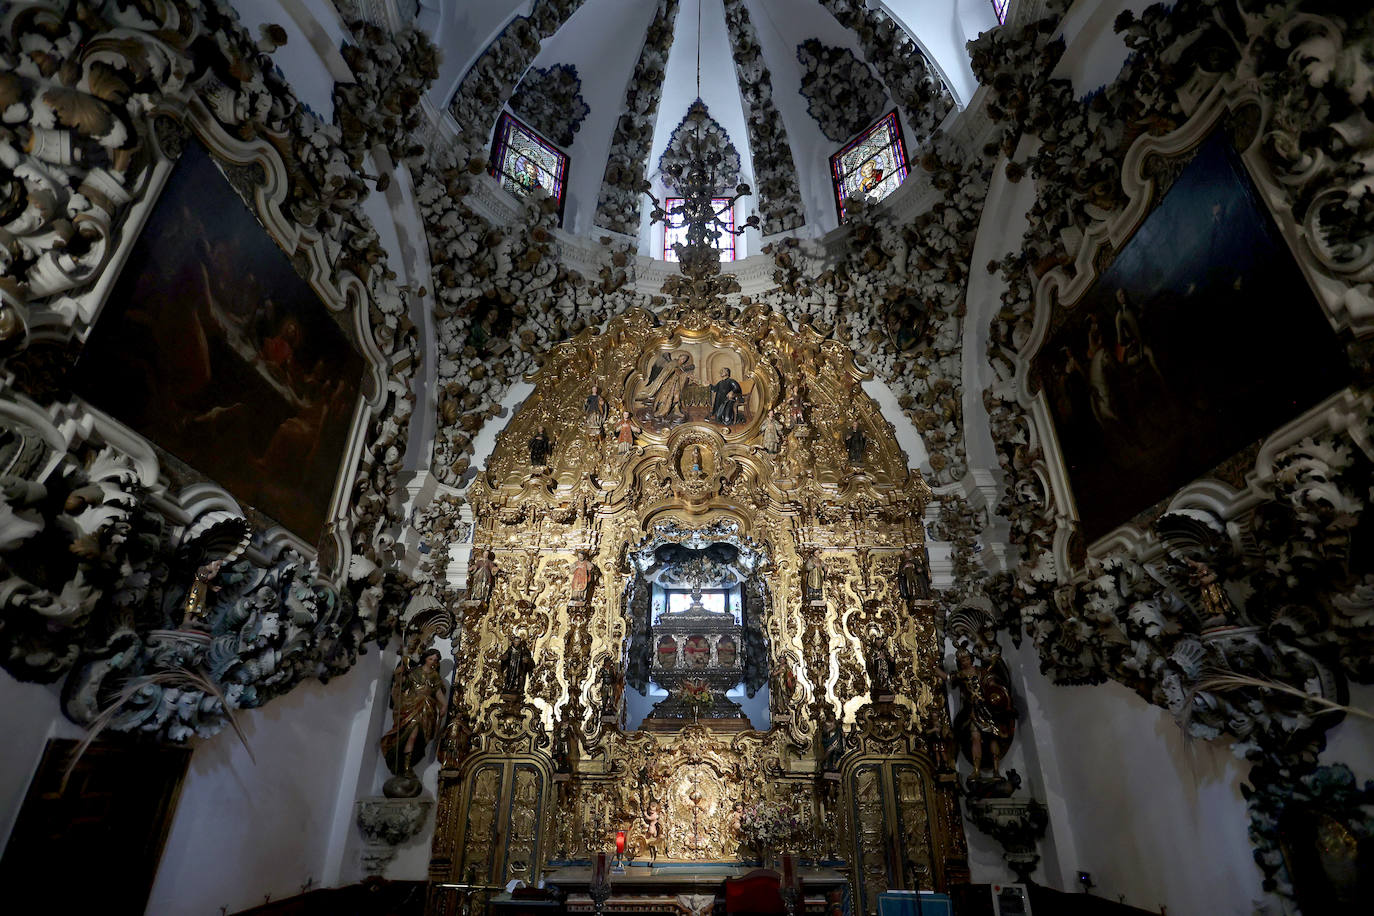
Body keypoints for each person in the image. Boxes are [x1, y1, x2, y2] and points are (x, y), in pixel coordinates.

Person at [380, 648, 448, 778]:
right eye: (431, 659)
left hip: (426, 711)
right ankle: (405, 766)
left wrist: (444, 705)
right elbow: (403, 685)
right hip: (411, 707)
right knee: (411, 735)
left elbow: (438, 693)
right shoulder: (414, 672)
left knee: (419, 738)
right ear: (425, 659)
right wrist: (399, 675)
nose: (433, 662)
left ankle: (408, 765)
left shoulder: (435, 676)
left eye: (435, 660)